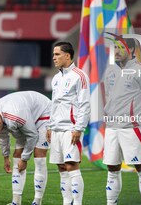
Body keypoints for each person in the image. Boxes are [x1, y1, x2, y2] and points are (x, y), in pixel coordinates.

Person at [103, 36, 141, 205]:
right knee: (112, 168)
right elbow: (107, 96)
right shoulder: (110, 70)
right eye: (115, 47)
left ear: (132, 50)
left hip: (131, 127)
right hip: (112, 127)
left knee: (140, 167)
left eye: (121, 47)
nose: (117, 51)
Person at [0, 91, 51, 205]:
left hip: (43, 112)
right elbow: (2, 135)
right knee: (16, 156)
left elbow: (32, 135)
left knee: (39, 157)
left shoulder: (15, 117)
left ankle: (37, 201)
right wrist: (5, 157)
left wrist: (25, 159)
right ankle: (16, 202)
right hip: (25, 115)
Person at [46, 42, 90, 205]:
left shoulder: (80, 76)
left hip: (71, 129)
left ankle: (77, 203)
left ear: (67, 55)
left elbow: (85, 104)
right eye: (53, 54)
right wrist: (50, 126)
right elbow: (54, 104)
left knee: (71, 166)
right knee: (61, 168)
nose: (54, 58)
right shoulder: (56, 78)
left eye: (57, 54)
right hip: (56, 129)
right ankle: (67, 202)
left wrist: (79, 128)